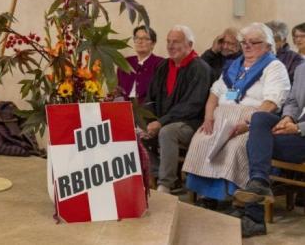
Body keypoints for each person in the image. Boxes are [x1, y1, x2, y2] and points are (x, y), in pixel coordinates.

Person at [182, 23, 291, 205]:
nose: (247, 46)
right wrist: (208, 118)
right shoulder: (233, 66)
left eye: (254, 42)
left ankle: (235, 198)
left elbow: (272, 101)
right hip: (220, 119)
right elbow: (214, 93)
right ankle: (207, 195)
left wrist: (248, 124)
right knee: (201, 140)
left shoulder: (274, 67)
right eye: (244, 42)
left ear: (268, 46)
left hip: (252, 122)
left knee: (234, 148)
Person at [232, 64, 305, 237]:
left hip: (301, 133)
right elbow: (293, 101)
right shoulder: (302, 68)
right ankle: (259, 182)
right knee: (259, 118)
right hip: (294, 130)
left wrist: (298, 128)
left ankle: (254, 218)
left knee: (257, 144)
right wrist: (287, 118)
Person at [143, 25, 212, 194]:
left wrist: (160, 122)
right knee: (136, 131)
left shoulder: (200, 69)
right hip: (162, 121)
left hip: (192, 123)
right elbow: (150, 97)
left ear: (189, 44)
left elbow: (192, 105)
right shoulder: (163, 66)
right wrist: (147, 121)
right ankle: (157, 172)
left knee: (167, 132)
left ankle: (165, 184)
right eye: (168, 41)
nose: (171, 46)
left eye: (176, 42)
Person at [115, 25, 163, 104]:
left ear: (153, 44)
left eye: (145, 38)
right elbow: (119, 91)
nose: (140, 41)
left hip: (147, 110)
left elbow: (160, 93)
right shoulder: (125, 63)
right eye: (137, 38)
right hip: (125, 108)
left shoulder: (160, 64)